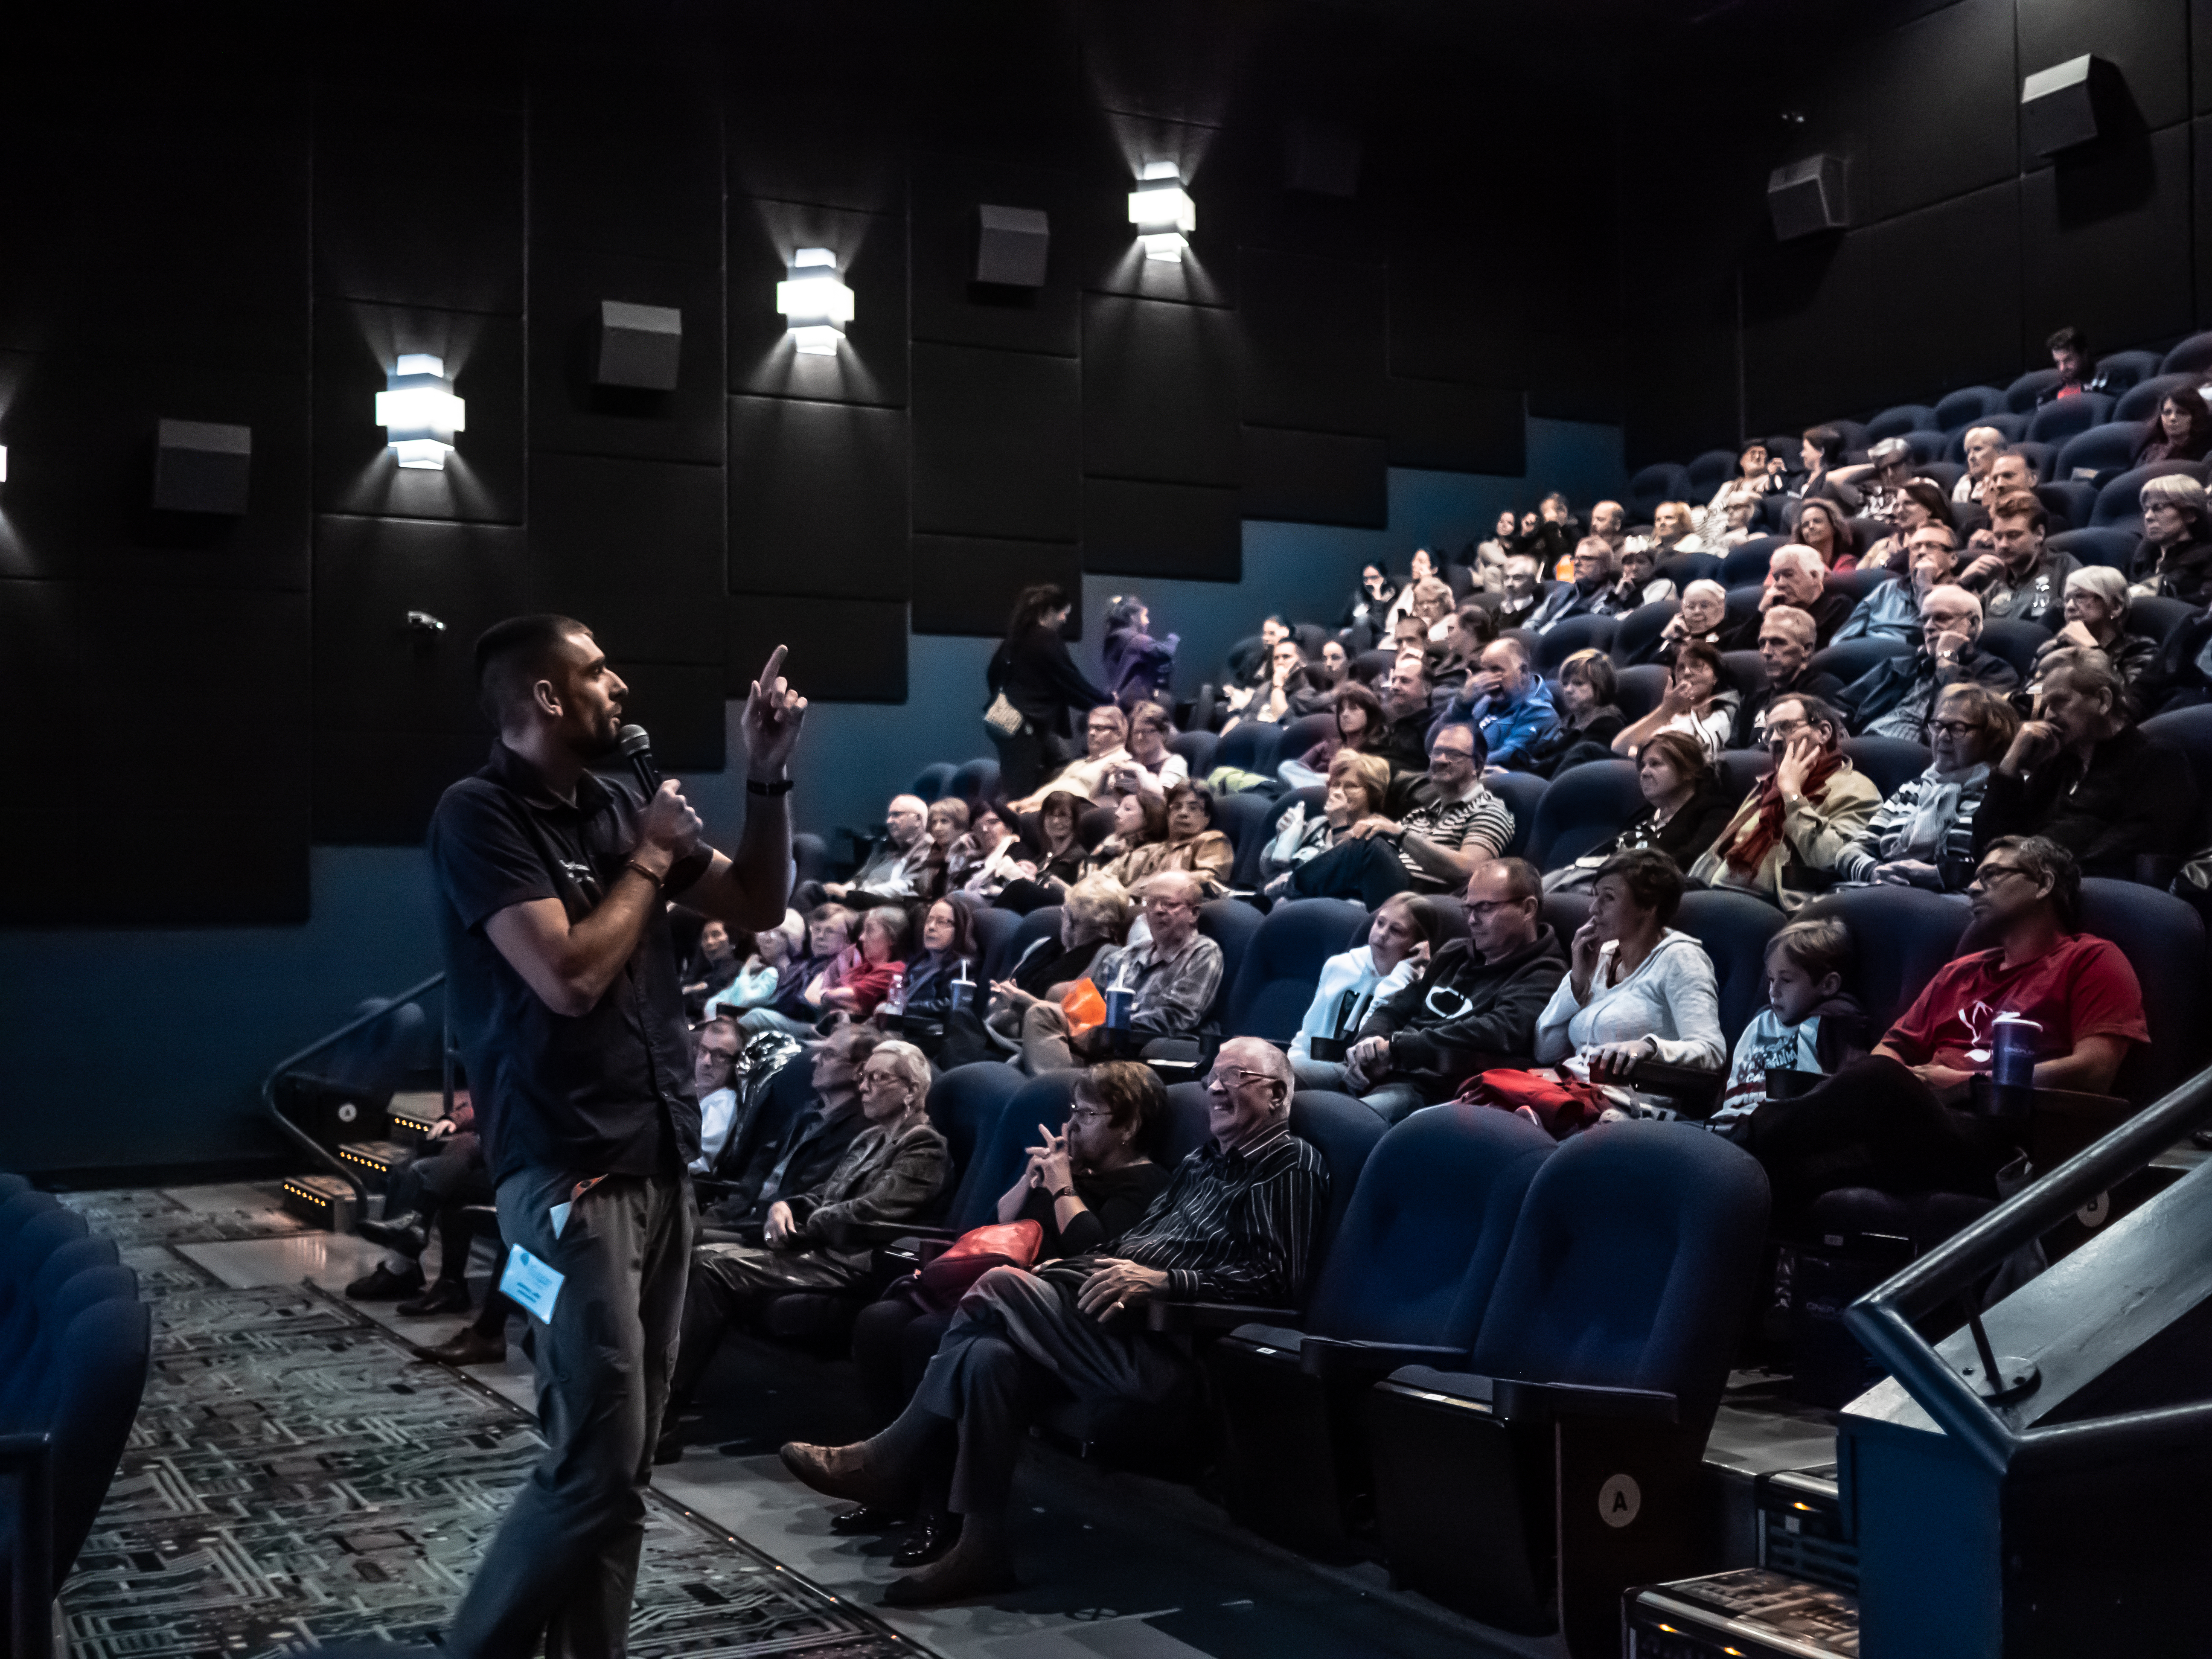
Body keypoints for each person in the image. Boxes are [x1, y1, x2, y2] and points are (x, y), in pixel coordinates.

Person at [425, 617, 803, 1654]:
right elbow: (569, 976)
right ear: (544, 697)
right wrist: (648, 855)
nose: (617, 684)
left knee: (618, 1465)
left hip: (658, 1158)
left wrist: (765, 778)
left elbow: (761, 902)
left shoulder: (614, 804)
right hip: (566, 1175)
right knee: (594, 1459)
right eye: (595, 670)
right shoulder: (480, 815)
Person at [781, 1039, 1324, 1604]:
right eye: (1213, 1075)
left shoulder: (1289, 1165)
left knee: (998, 1285)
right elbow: (1123, 1244)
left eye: (1235, 1077)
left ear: (1279, 1093)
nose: (1214, 1087)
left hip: (1169, 1348)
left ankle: (888, 1456)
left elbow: (1276, 1279)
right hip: (1105, 1320)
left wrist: (1165, 1283)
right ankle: (980, 1549)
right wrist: (1083, 1261)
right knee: (988, 1359)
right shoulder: (1200, 1162)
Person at [840, 1063, 1174, 1564]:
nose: (1073, 1124)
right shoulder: (1071, 1171)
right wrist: (1034, 1179)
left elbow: (1096, 1253)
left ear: (1127, 1127)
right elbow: (1004, 1228)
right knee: (880, 1323)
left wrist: (1064, 1189)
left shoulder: (1145, 1185)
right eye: (1073, 1111)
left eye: (1087, 1114)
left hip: (1055, 1323)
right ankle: (896, 1484)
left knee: (926, 1336)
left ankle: (936, 1508)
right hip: (1001, 1302)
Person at [1745, 838, 2147, 1225]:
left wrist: (1965, 1083)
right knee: (1774, 1180)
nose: (1972, 888)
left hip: (2007, 1137)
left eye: (1991, 876)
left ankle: (1738, 1140)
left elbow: (2095, 1071)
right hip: (1923, 1129)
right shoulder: (1962, 972)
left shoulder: (2092, 960)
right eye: (1974, 877)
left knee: (1877, 1078)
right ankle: (1739, 1171)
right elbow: (1892, 1049)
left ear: (2043, 884)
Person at [660, 1040, 950, 1463]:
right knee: (699, 1258)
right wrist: (787, 1207)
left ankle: (665, 1412)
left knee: (711, 1268)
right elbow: (823, 1195)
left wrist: (800, 1228)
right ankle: (659, 1397)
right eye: (863, 1076)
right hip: (821, 1254)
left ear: (911, 1090)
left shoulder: (924, 1147)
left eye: (878, 1078)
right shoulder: (870, 1138)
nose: (864, 1087)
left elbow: (870, 1212)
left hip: (852, 1266)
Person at [1337, 859, 1569, 1115]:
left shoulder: (1546, 975)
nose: (1472, 920)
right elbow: (1396, 1007)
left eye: (1484, 908)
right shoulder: (1454, 952)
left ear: (1527, 909)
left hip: (1430, 1091)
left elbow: (1494, 1033)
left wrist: (1395, 1050)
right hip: (1383, 1069)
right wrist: (1368, 1045)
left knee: (1341, 1121)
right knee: (1291, 1078)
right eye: (1468, 909)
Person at [1974, 649, 2197, 878]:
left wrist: (2029, 872)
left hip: (2086, 899)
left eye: (2060, 702)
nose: (2048, 716)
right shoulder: (2057, 763)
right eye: (2047, 705)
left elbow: (2128, 855)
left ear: (2103, 701)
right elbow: (1986, 843)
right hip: (2017, 887)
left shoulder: (2157, 760)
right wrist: (2010, 765)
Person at [1532, 848, 1728, 1101]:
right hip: (1570, 1090)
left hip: (1629, 1106)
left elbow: (1711, 1052)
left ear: (1649, 907)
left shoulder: (1681, 958)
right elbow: (1544, 1050)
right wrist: (1578, 980)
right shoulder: (1599, 956)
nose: (1594, 909)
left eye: (1609, 898)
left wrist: (1649, 1047)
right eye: (1595, 896)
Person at [1283, 722, 1513, 906]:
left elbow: (1470, 871)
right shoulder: (1421, 815)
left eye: (1454, 754)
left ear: (1478, 765)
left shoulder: (1489, 809)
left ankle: (1291, 884)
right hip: (1380, 892)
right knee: (1366, 841)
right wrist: (1341, 826)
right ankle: (1294, 891)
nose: (1441, 760)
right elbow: (1353, 856)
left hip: (1423, 902)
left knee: (1372, 846)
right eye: (1437, 753)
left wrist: (1400, 834)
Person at [1690, 694, 1882, 914]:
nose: (1773, 740)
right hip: (1716, 895)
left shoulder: (1857, 790)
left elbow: (1832, 861)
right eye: (1769, 733)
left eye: (1785, 727)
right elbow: (1720, 851)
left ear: (1824, 732)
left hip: (1777, 912)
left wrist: (1792, 794)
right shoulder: (1768, 787)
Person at [1020, 870, 1224, 1069]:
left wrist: (1111, 1025)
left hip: (1144, 1050)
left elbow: (1176, 1018)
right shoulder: (1127, 956)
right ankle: (1063, 1085)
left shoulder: (1203, 953)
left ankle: (1063, 1087)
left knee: (1033, 1052)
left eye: (1169, 904)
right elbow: (1090, 1003)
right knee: (1042, 1014)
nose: (1158, 910)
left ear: (1194, 913)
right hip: (1102, 1042)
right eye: (1151, 903)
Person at [697, 1024, 881, 1231]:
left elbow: (803, 1196)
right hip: (743, 1219)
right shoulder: (807, 1111)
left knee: (688, 1251)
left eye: (828, 1055)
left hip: (775, 1232)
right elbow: (758, 1172)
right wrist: (718, 1216)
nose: (814, 1060)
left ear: (860, 1071)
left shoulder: (857, 1131)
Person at [1837, 681, 2018, 891]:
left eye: (1958, 728)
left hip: (1954, 902)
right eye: (1938, 726)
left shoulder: (2000, 794)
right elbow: (1851, 851)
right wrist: (1874, 871)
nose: (1942, 737)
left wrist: (1939, 876)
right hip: (1883, 889)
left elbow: (2000, 867)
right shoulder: (1912, 789)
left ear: (1994, 738)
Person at [1707, 920, 1870, 1135]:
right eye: (1771, 980)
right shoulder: (1762, 1022)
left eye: (1786, 980)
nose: (1773, 991)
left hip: (1782, 1136)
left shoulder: (1834, 1026)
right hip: (1726, 1129)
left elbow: (1848, 1095)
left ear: (1828, 985)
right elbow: (1728, 1088)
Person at [1285, 891, 1441, 1111]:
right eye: (1380, 923)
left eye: (1396, 931)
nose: (1382, 934)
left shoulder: (1420, 985)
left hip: (1378, 1080)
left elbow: (1376, 1028)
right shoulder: (1341, 966)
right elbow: (1309, 1036)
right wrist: (1292, 1063)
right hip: (1326, 1065)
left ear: (1418, 944)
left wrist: (1403, 973)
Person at [349, 1090, 495, 1314]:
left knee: (442, 1172)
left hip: (521, 1167)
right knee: (409, 1170)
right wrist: (453, 1120)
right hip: (494, 1157)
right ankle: (403, 1265)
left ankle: (404, 1267)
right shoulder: (513, 1070)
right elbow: (485, 1103)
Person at [1544, 731, 1738, 894]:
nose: (1644, 773)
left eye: (1655, 764)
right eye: (1643, 765)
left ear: (1688, 770)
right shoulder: (1647, 812)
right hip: (1598, 876)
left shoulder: (1715, 811)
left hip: (1640, 891)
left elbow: (1691, 861)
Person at [1837, 585, 2018, 742]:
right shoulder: (1902, 665)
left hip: (1921, 761)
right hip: (1863, 743)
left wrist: (1947, 661)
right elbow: (1844, 706)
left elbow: (1953, 726)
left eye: (1942, 618)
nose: (1929, 627)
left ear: (1972, 624)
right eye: (1925, 620)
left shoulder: (1996, 672)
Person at [987, 584, 1115, 798]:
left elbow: (993, 674)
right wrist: (1105, 701)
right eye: (1064, 613)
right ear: (1049, 612)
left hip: (1010, 724)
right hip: (1028, 725)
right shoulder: (1045, 638)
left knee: (1058, 764)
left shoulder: (1015, 640)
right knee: (1024, 788)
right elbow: (1070, 679)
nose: (1065, 619)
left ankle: (1040, 808)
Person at [984, 874, 1131, 1049]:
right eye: (1066, 913)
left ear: (1107, 929)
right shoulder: (1043, 945)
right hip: (1004, 1033)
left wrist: (1029, 1006)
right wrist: (999, 1004)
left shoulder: (1111, 959)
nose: (1067, 926)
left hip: (1044, 1046)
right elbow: (1009, 988)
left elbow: (1086, 1027)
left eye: (1078, 922)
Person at [1260, 750, 1392, 899]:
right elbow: (1268, 870)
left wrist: (1340, 826)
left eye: (1351, 786)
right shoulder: (1318, 824)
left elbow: (1342, 878)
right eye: (1336, 785)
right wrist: (1280, 837)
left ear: (1373, 793)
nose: (1338, 792)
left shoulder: (1376, 834)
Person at [2030, 566, 2157, 707]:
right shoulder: (2054, 647)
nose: (2070, 607)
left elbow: (2126, 705)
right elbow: (2028, 698)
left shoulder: (2140, 650)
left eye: (2080, 597)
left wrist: (2090, 650)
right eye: (2067, 600)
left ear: (2116, 606)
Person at [1435, 636, 1559, 768]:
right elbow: (1439, 736)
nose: (1487, 679)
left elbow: (1508, 756)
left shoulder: (1540, 712)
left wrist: (1460, 763)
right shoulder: (1486, 699)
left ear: (1522, 672)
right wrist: (1463, 702)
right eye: (1484, 671)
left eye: (1496, 670)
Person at [1958, 491, 2075, 629]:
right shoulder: (1996, 581)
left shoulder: (2063, 568)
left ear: (2039, 534)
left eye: (2013, 535)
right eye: (1998, 537)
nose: (2003, 545)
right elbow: (1961, 624)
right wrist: (1962, 583)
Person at [739, 904, 856, 1037]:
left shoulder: (845, 967)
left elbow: (811, 1007)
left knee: (756, 1018)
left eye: (830, 931)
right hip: (794, 1022)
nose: (820, 936)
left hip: (817, 1030)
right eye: (817, 930)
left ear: (847, 939)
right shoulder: (803, 967)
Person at [1735, 605, 1845, 746]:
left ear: (1806, 649)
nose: (1766, 652)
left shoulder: (1824, 689)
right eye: (1763, 643)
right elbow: (1734, 751)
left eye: (1778, 643)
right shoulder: (1752, 700)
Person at [1506, 647, 1627, 777]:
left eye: (1578, 684)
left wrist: (1513, 775)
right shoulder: (1568, 721)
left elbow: (1568, 764)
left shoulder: (1608, 724)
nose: (1568, 690)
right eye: (1565, 684)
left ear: (1601, 686)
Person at [1612, 638, 1739, 760]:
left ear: (1715, 676)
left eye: (1697, 665)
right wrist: (1666, 711)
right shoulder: (1669, 713)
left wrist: (1641, 753)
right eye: (1681, 668)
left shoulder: (1723, 711)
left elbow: (1699, 755)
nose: (1687, 672)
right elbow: (1618, 748)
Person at [1833, 522, 1958, 645]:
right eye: (1916, 547)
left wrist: (1924, 585)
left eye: (1931, 546)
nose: (1921, 552)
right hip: (1866, 654)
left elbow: (1936, 641)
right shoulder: (1887, 589)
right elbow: (1842, 637)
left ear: (1953, 559)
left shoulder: (1962, 595)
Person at [1008, 704, 1130, 812]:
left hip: (1059, 816)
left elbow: (1104, 802)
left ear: (1119, 734)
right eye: (1090, 728)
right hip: (1035, 809)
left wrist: (1034, 807)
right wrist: (1026, 804)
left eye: (1099, 729)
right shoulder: (1079, 763)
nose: (1092, 733)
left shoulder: (1121, 762)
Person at [819, 795, 931, 907]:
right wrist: (844, 889)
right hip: (856, 898)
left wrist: (854, 894)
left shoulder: (927, 849)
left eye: (896, 815)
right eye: (890, 816)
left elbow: (905, 887)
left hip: (883, 905)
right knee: (812, 889)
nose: (889, 821)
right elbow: (861, 877)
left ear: (918, 819)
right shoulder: (883, 847)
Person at [890, 897, 981, 1027]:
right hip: (906, 1026)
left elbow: (952, 1006)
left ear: (960, 929)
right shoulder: (918, 961)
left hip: (927, 1035)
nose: (931, 927)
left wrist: (905, 1008)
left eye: (942, 922)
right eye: (929, 921)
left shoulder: (964, 967)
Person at [1279, 681, 1386, 789]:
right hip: (1313, 789)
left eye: (1353, 709)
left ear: (1370, 715)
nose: (1345, 714)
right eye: (1342, 710)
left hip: (1341, 795)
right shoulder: (1330, 745)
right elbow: (1296, 767)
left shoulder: (1376, 753)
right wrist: (1322, 778)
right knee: (1286, 766)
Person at [2128, 474, 2212, 606]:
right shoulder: (2144, 554)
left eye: (2159, 508)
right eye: (2146, 509)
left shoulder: (2207, 559)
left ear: (2190, 514)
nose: (2148, 517)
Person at [815, 905, 911, 1021]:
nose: (861, 937)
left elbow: (839, 996)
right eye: (863, 930)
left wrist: (828, 995)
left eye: (870, 930)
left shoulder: (895, 971)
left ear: (892, 939)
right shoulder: (864, 967)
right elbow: (831, 993)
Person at [1749, 543, 1854, 646]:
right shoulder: (1777, 609)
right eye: (1776, 577)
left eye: (1789, 575)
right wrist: (1762, 612)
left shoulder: (1837, 607)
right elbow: (1737, 648)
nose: (1780, 584)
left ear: (1814, 577)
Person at [705, 912, 805, 1020]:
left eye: (780, 934)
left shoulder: (790, 975)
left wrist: (746, 970)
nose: (768, 939)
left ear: (792, 939)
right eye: (766, 931)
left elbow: (744, 1001)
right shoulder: (759, 970)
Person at [1857, 480, 1954, 571]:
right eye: (1898, 505)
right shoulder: (1883, 545)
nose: (1900, 510)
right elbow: (1855, 579)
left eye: (1909, 503)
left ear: (1930, 509)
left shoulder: (1939, 545)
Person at [1101, 594, 1178, 708]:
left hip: (1117, 704)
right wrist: (1174, 639)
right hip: (1132, 707)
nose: (1148, 621)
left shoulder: (1116, 639)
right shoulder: (1135, 640)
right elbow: (1166, 652)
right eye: (1144, 616)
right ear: (1133, 617)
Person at [1524, 536, 1615, 632]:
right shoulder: (1563, 590)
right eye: (1575, 558)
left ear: (1605, 567)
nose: (1576, 563)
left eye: (1585, 558)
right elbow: (1533, 622)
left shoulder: (1608, 601)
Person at [1088, 789, 1171, 891]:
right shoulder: (1110, 841)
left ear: (1149, 818)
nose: (1117, 813)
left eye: (1128, 809)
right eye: (1119, 807)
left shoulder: (1154, 853)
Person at [1106, 701, 1189, 801]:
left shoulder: (1175, 762)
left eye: (1147, 732)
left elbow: (1163, 800)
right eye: (1136, 732)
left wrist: (1139, 771)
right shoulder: (1131, 763)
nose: (1140, 737)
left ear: (1163, 733)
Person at [1374, 652, 1440, 774]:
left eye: (1405, 681)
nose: (1395, 687)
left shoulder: (1436, 728)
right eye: (1394, 680)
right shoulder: (1380, 721)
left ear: (1427, 689)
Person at [948, 803, 1027, 900]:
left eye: (993, 823)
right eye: (979, 825)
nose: (985, 830)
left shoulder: (1018, 851)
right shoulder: (967, 860)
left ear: (1009, 829)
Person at [1652, 578, 1729, 665]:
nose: (1697, 612)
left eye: (1705, 606)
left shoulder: (1731, 633)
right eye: (1691, 607)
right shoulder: (1677, 634)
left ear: (1721, 608)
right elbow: (1653, 666)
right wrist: (1668, 638)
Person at [2133, 390, 2212, 468]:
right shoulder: (2151, 451)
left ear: (2196, 418)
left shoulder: (2206, 456)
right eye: (2167, 412)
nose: (2173, 418)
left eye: (2182, 413)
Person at [1600, 539, 1676, 614]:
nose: (1634, 568)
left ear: (1653, 566)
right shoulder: (1619, 589)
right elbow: (1601, 619)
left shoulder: (1664, 585)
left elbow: (1644, 618)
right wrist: (1617, 597)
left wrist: (1635, 594)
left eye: (1641, 562)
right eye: (1629, 563)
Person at [1786, 496, 1858, 575]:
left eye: (1817, 521)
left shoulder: (1847, 562)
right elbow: (1771, 585)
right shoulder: (1790, 560)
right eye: (1805, 525)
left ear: (1834, 527)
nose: (1811, 526)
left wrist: (1817, 562)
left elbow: (1837, 587)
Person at [916, 797, 970, 900]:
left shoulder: (969, 853)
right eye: (934, 822)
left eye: (944, 821)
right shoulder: (932, 855)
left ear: (960, 824)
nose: (937, 828)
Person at [1342, 562, 1401, 640]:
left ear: (1384, 579)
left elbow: (1381, 629)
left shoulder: (1394, 600)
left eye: (1374, 578)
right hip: (1357, 639)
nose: (1369, 583)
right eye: (1366, 579)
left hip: (1381, 642)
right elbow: (1341, 624)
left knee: (1363, 620)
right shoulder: (1359, 597)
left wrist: (1377, 598)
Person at [1951, 425, 2006, 506]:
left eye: (1978, 449)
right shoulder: (1964, 485)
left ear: (2000, 452)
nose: (1971, 457)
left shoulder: (2010, 479)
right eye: (1968, 452)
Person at [1494, 553, 1544, 630]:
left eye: (1517, 578)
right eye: (1507, 578)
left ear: (1533, 583)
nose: (1509, 584)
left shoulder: (1538, 614)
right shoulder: (1496, 611)